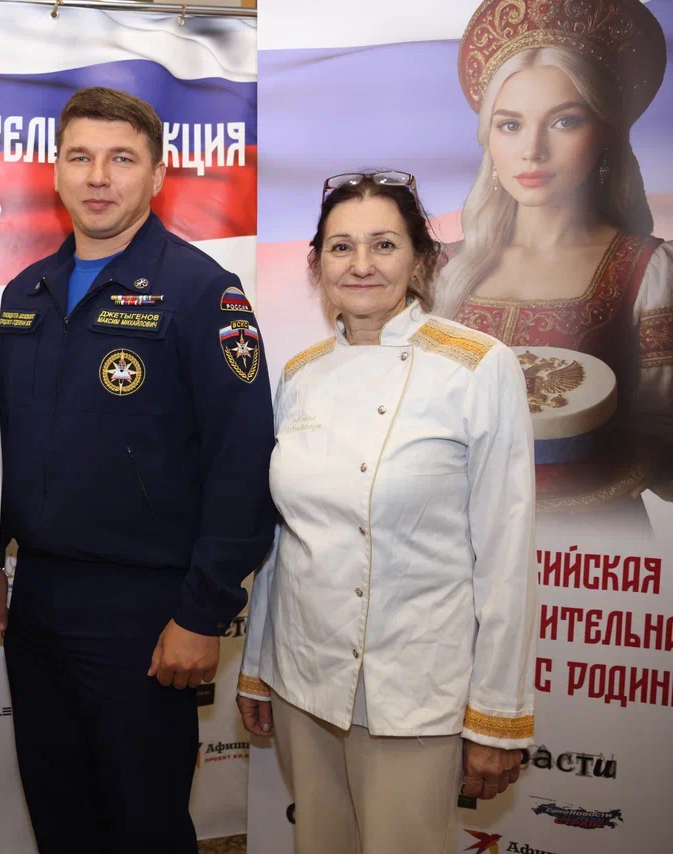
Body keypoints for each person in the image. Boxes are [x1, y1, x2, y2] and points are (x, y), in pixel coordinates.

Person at [0, 87, 275, 853]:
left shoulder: (202, 292)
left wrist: (203, 611)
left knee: (144, 824)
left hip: (147, 609)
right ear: (55, 172)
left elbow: (243, 460)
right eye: (80, 157)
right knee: (61, 819)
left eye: (121, 159)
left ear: (157, 176)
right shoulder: (25, 294)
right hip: (39, 599)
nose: (98, 177)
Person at [237, 171, 537, 853]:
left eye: (384, 244)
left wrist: (498, 715)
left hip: (416, 690)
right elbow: (282, 541)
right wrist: (257, 667)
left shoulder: (478, 367)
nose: (362, 265)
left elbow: (506, 555)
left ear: (421, 258)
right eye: (341, 247)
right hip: (304, 682)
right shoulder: (299, 375)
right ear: (317, 264)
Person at [436, 0, 670, 535]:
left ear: (605, 132)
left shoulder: (646, 271)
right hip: (458, 548)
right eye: (511, 125)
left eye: (565, 121)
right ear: (489, 138)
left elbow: (665, 440)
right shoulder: (444, 270)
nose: (533, 151)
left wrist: (633, 456)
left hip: (593, 554)